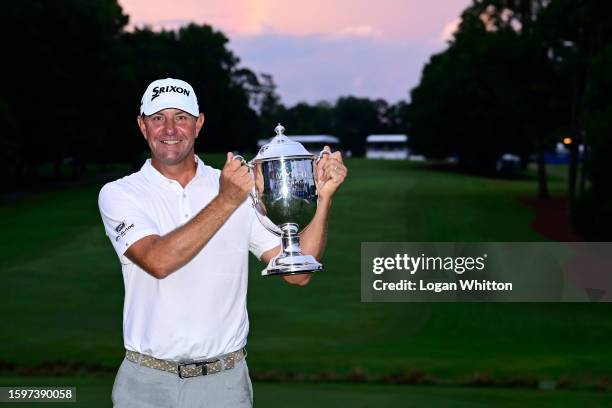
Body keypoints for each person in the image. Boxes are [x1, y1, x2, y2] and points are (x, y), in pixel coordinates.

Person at [97, 78, 347, 407]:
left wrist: (324, 199)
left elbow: (298, 272)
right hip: (145, 383)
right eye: (158, 118)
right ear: (142, 125)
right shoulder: (120, 193)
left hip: (223, 383)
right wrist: (226, 201)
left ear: (198, 123)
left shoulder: (236, 187)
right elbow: (158, 261)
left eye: (181, 117)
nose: (170, 129)